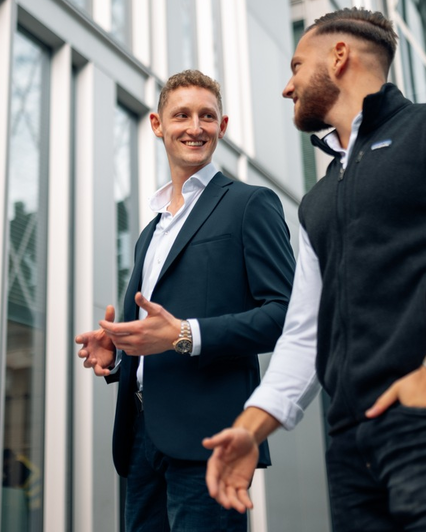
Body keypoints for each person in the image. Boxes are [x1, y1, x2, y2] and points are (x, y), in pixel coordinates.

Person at [203, 8, 426, 531]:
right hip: (353, 451)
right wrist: (251, 427)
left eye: (296, 65)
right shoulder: (317, 199)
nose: (287, 87)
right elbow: (306, 332)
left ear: (339, 55)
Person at [75, 69, 295, 532]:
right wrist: (119, 353)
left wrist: (182, 335)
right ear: (158, 124)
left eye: (206, 116)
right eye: (182, 115)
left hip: (210, 440)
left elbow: (284, 314)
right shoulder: (148, 233)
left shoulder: (251, 205)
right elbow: (151, 334)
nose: (195, 126)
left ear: (223, 126)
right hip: (139, 441)